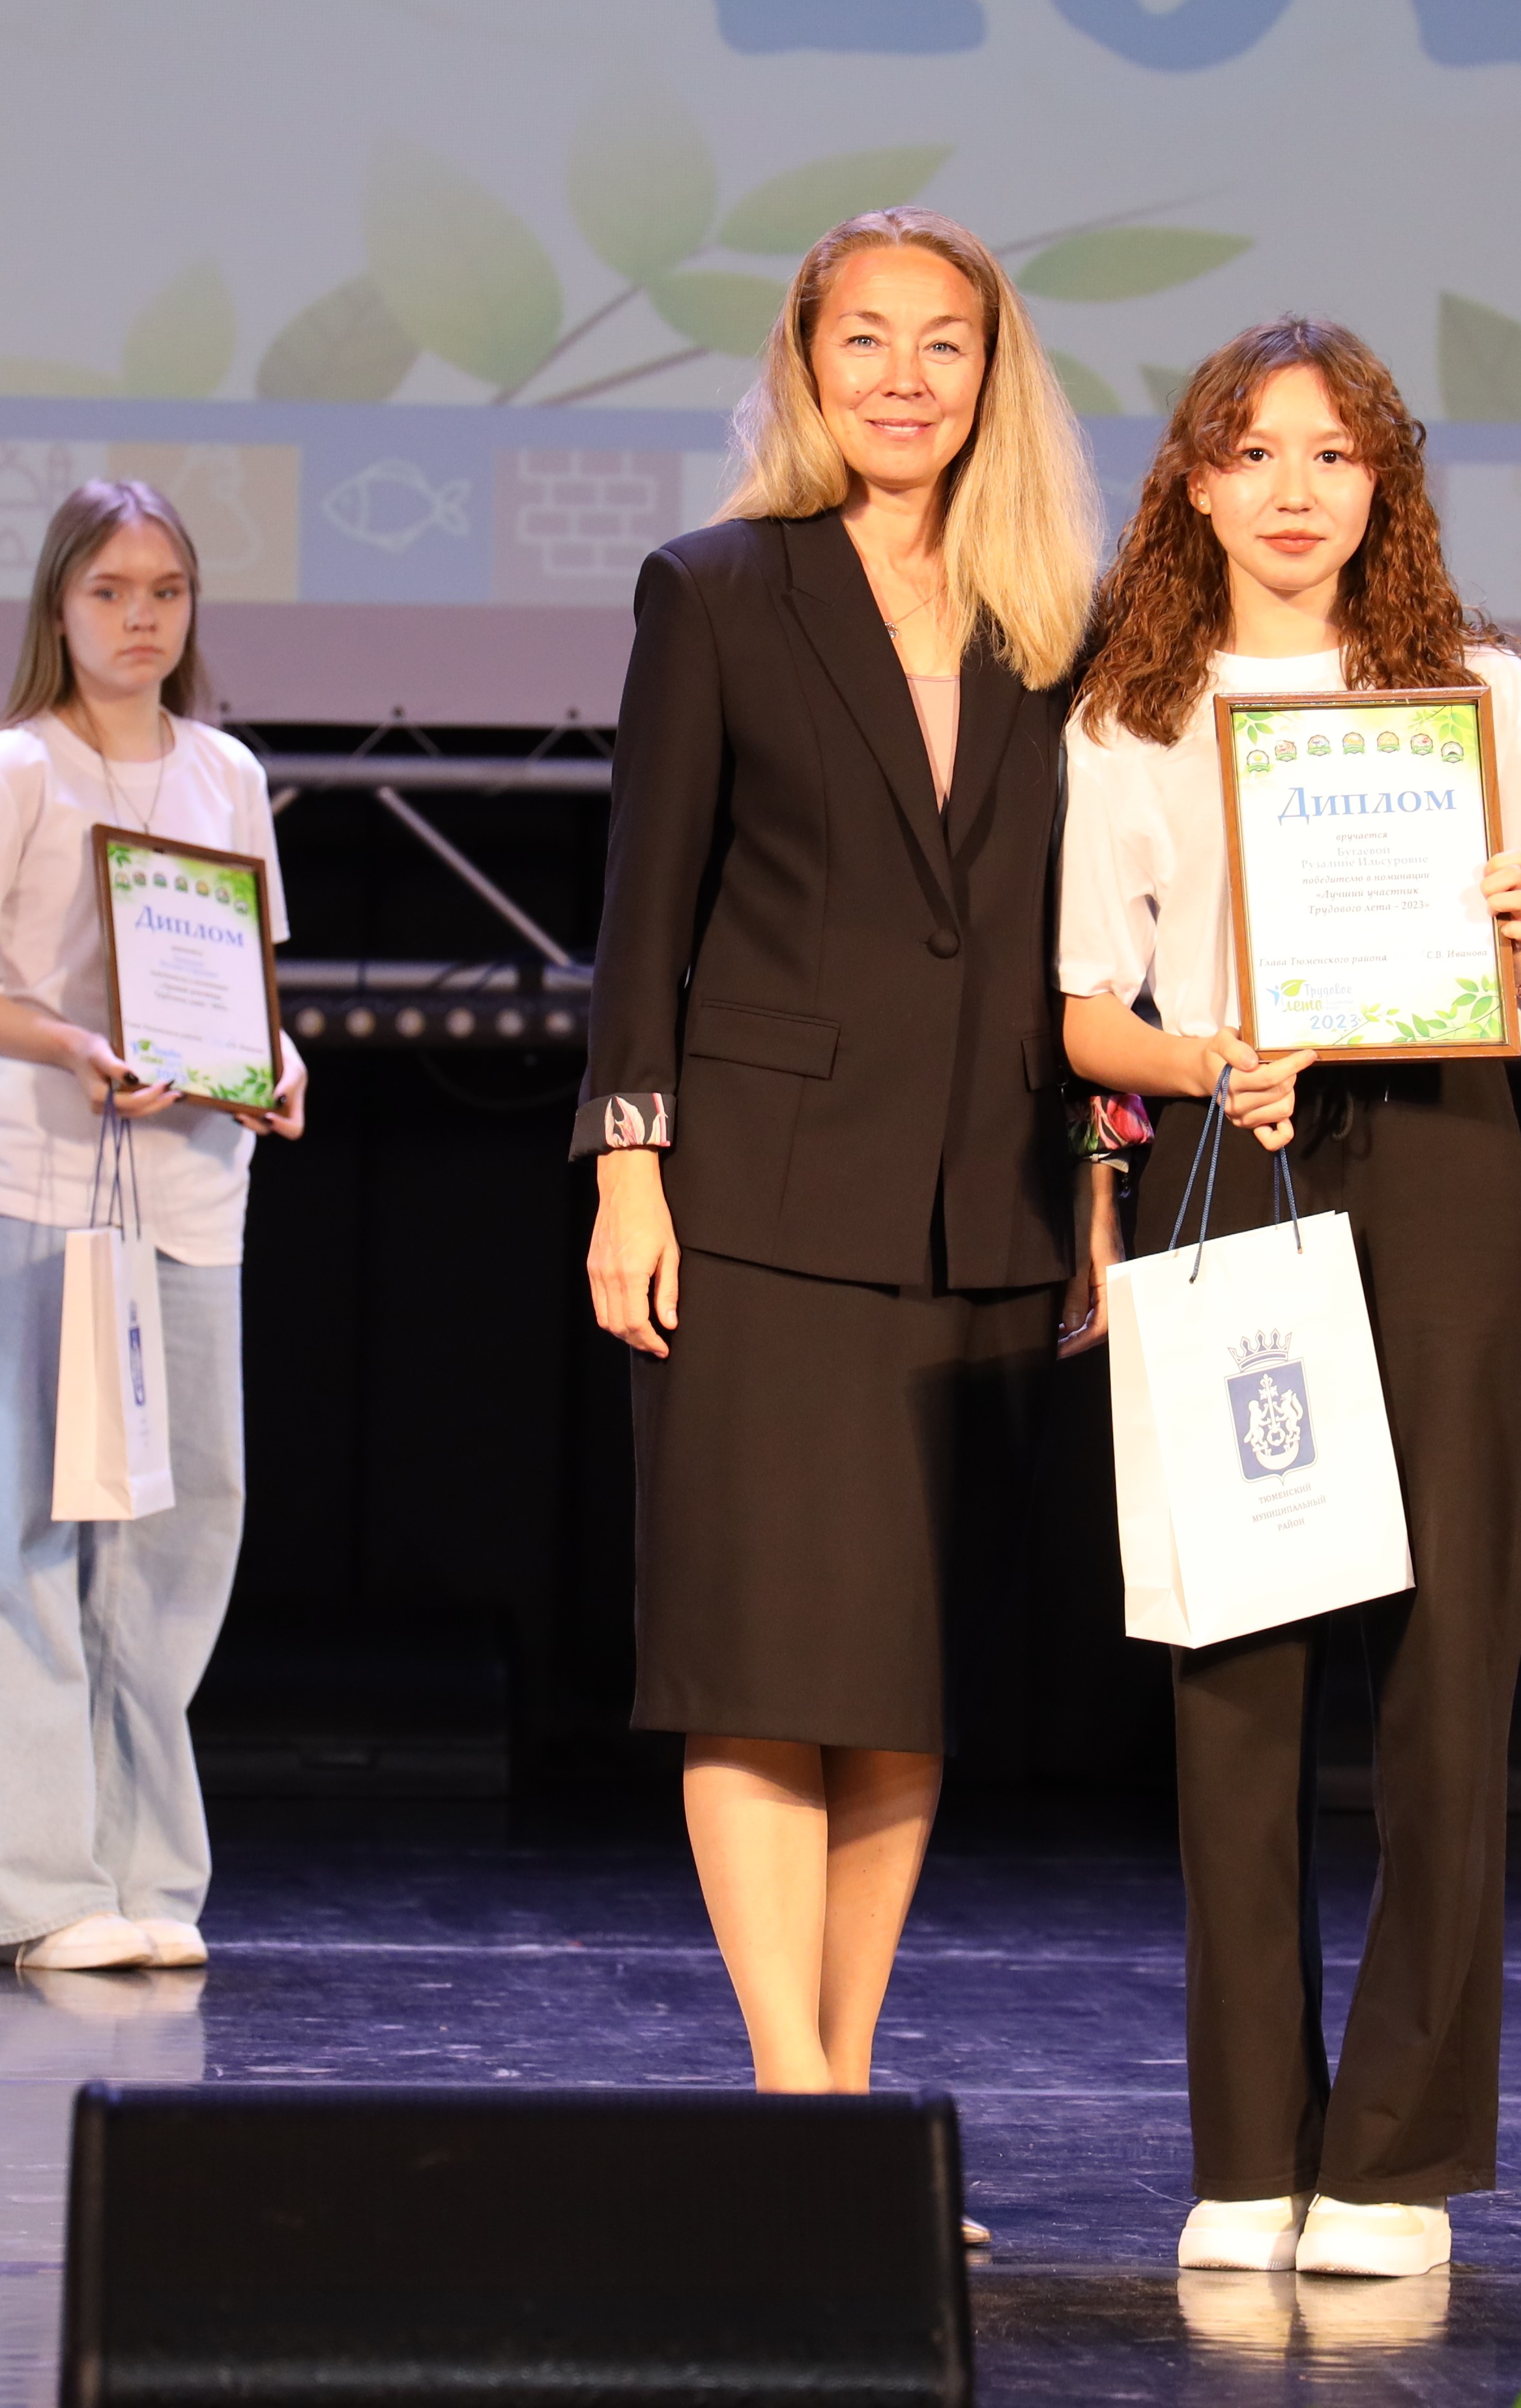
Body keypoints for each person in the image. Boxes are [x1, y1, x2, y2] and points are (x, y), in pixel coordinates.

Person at [1055, 317, 1521, 2280]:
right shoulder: (1128, 713)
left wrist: (1507, 931)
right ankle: (1246, 2148)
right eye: (1257, 452)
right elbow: (1083, 1009)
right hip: (1235, 1152)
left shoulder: (1476, 691)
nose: (1296, 490)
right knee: (1239, 1662)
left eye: (1336, 454)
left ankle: (1395, 2159)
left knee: (1449, 1668)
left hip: (1444, 1159)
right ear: (1196, 484)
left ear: (1386, 485)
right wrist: (1211, 1063)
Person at [577, 206, 1102, 2110]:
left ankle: (849, 2097)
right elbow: (644, 919)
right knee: (756, 1663)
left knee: (899, 1682)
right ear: (807, 363)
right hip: (762, 1202)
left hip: (987, 1203)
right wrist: (628, 1171)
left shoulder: (1059, 619)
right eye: (864, 338)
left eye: (943, 340)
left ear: (992, 371)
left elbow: (1081, 937)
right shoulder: (718, 589)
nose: (904, 376)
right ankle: (791, 2100)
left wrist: (1097, 1188)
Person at [0, 479, 303, 1973]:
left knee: (176, 1540)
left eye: (165, 592)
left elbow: (239, 989)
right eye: (110, 592)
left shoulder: (225, 774)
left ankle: (144, 1880)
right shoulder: (13, 771)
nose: (140, 619)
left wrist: (278, 1065)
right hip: (33, 1197)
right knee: (26, 1534)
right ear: (59, 607)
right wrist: (62, 1040)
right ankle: (35, 1890)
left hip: (189, 1200)